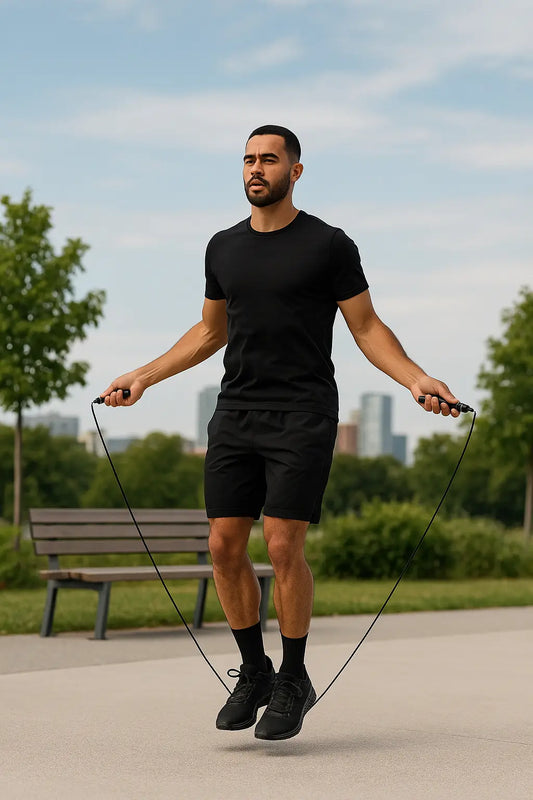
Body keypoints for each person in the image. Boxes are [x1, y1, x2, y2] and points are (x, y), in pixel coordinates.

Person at [100, 124, 461, 741]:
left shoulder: (328, 244)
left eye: (269, 159)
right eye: (248, 159)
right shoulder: (222, 247)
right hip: (237, 410)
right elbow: (210, 331)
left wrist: (417, 378)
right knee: (221, 545)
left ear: (296, 170)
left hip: (303, 411)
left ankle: (294, 677)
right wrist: (144, 375)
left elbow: (367, 327)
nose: (256, 169)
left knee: (284, 545)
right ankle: (256, 670)